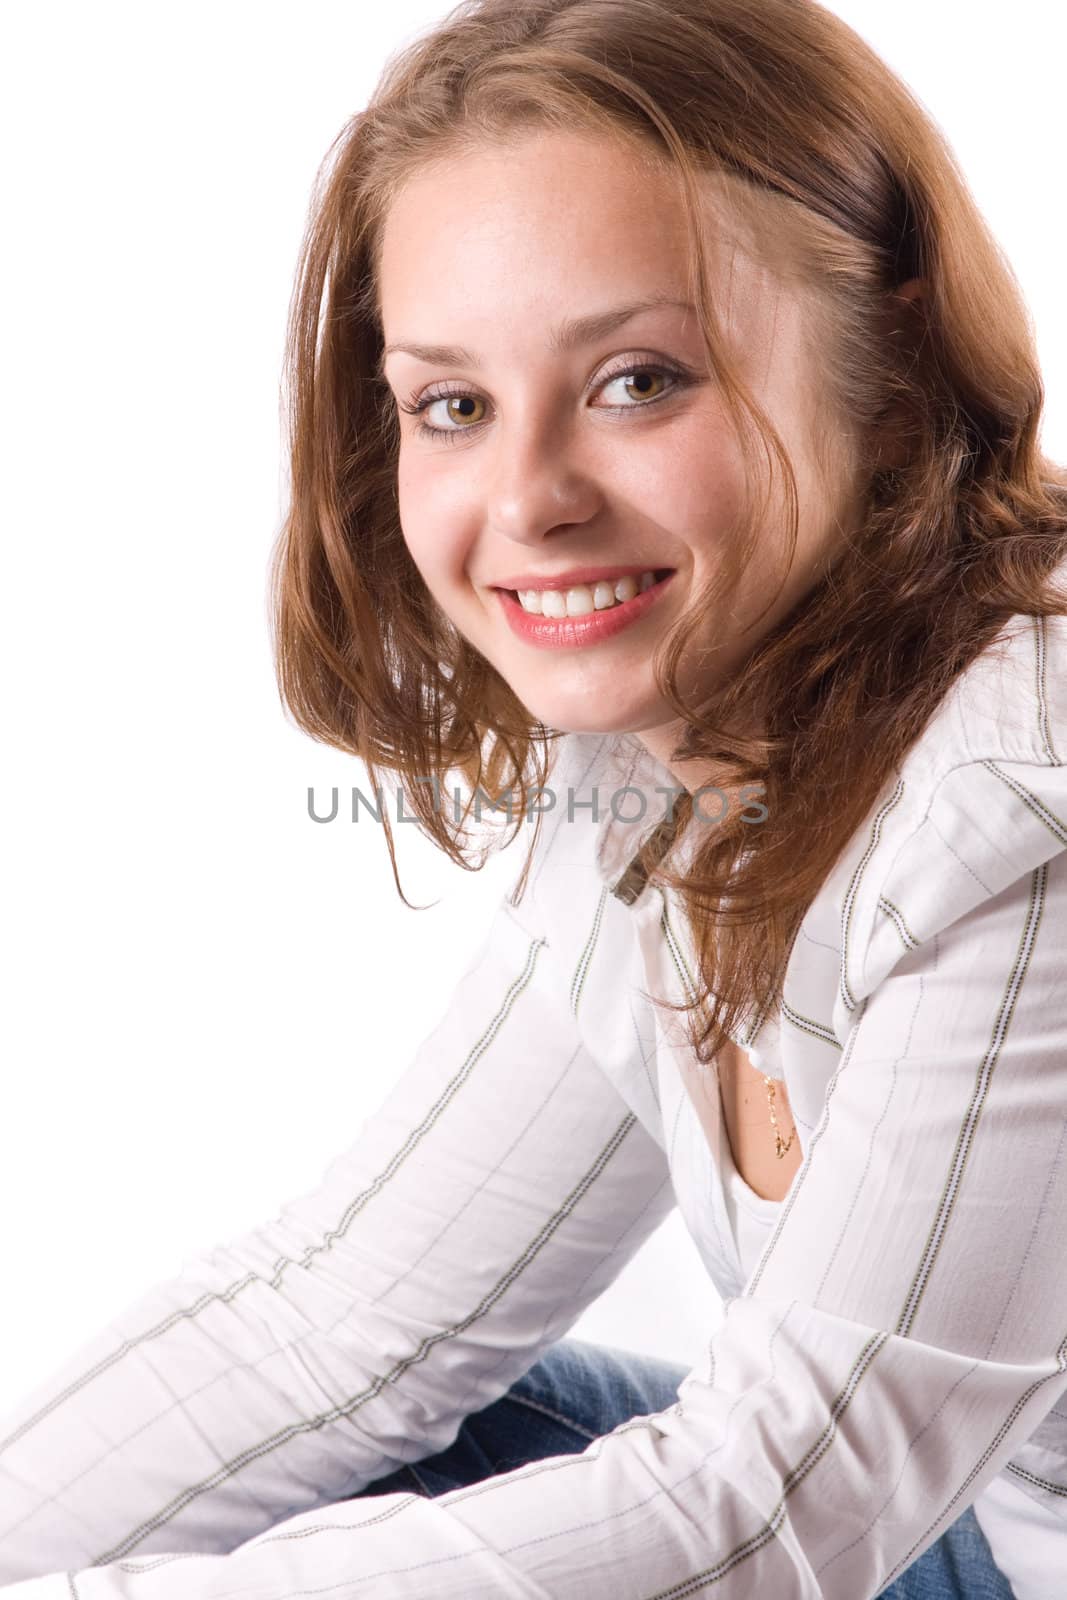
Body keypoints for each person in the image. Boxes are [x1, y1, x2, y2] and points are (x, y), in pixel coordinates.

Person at [2, 0, 1066, 1594]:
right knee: (378, 1461)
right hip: (962, 1535)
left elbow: (780, 1511)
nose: (530, 499)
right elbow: (342, 1318)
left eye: (638, 380)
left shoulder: (1020, 800)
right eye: (453, 404)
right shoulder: (655, 761)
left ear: (887, 354)